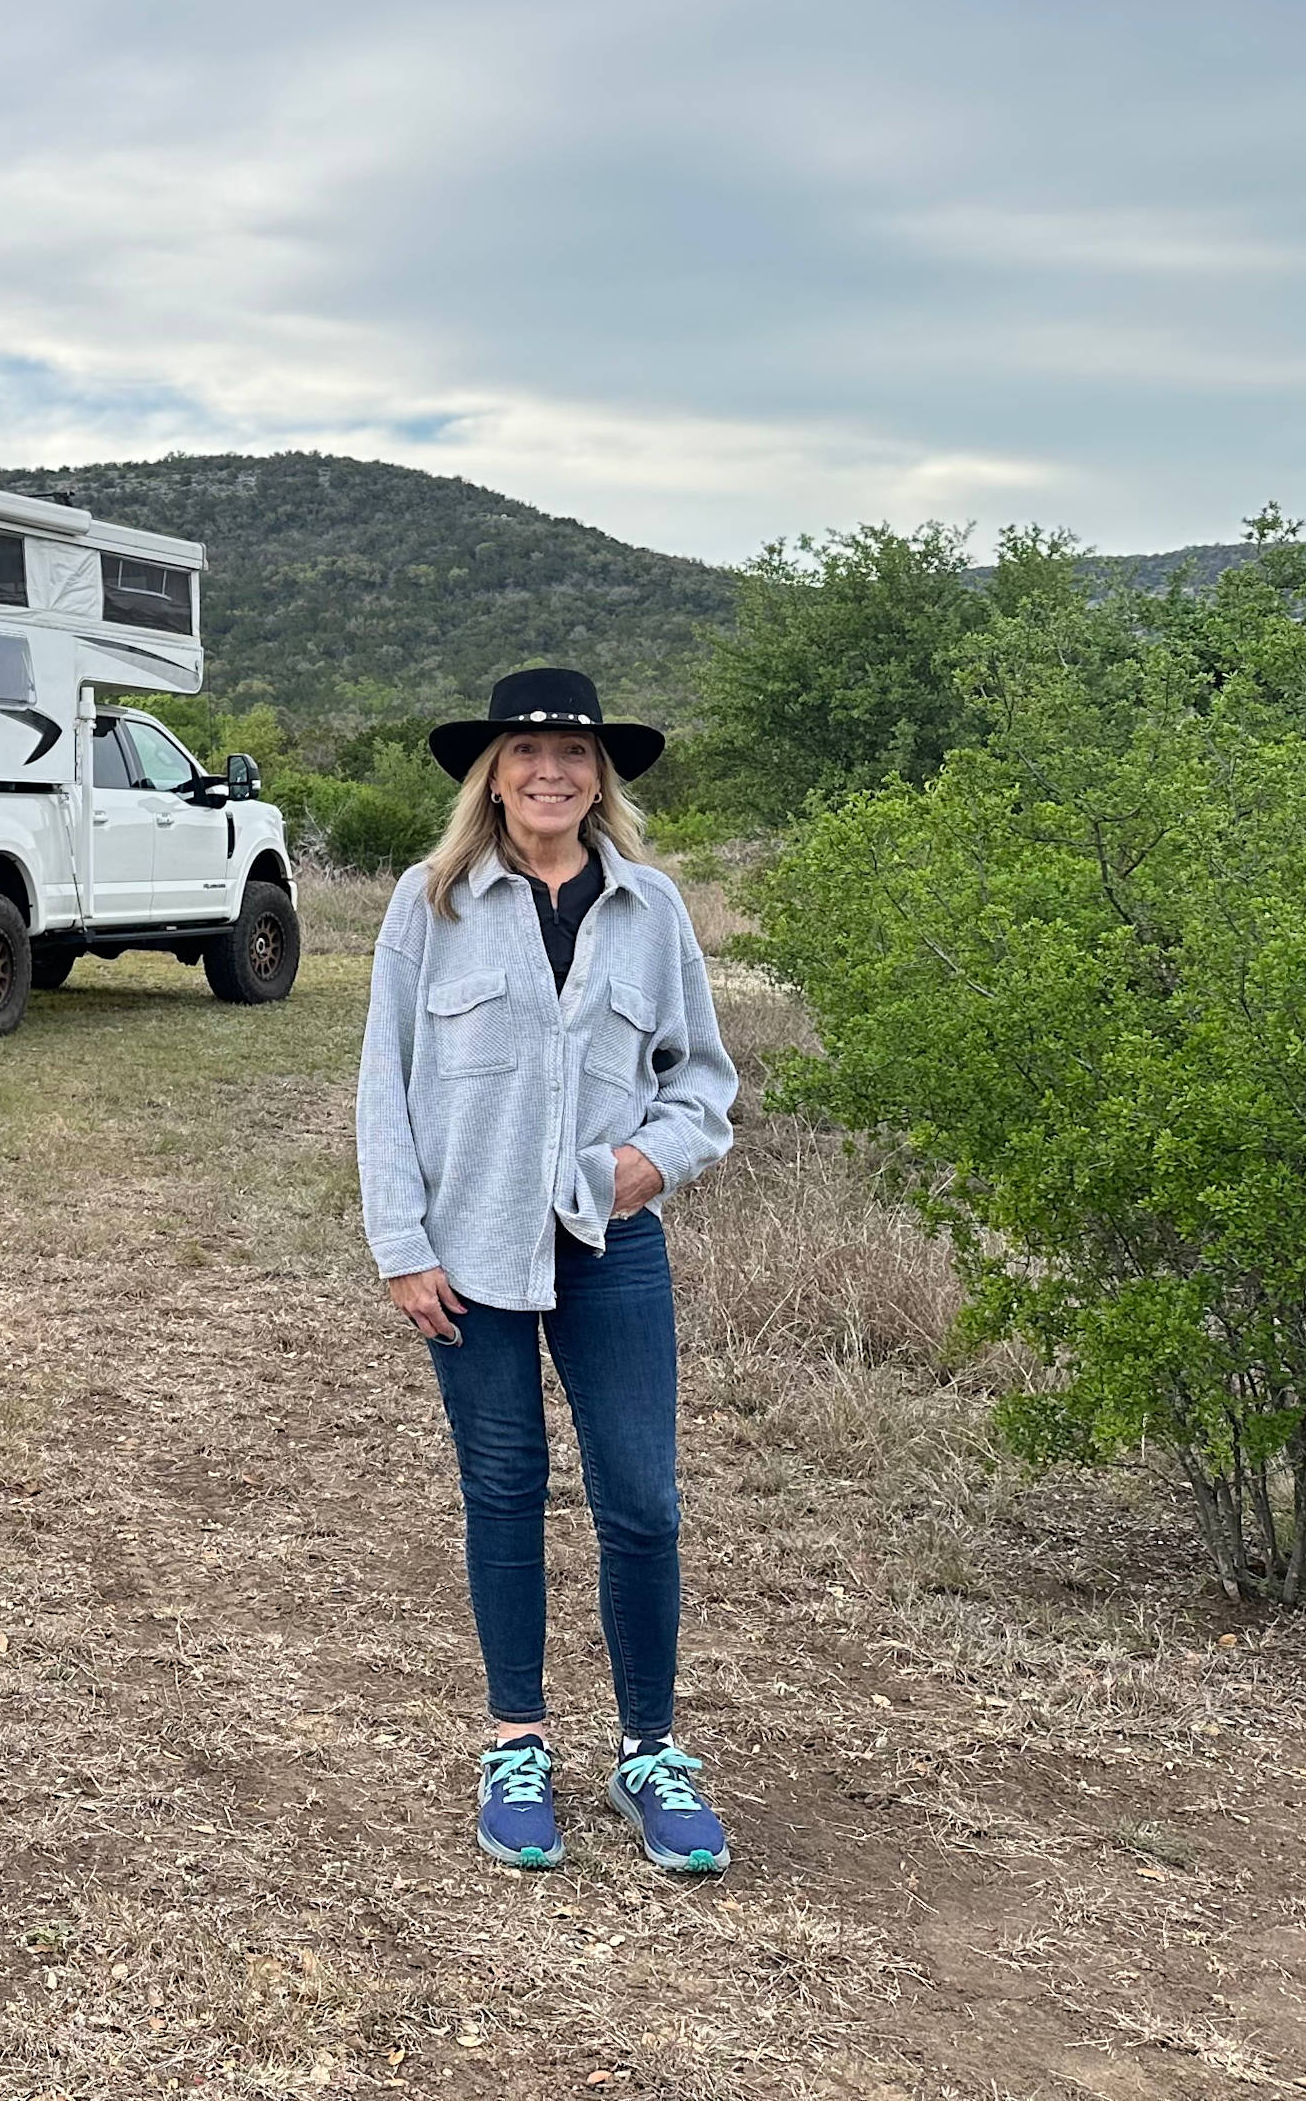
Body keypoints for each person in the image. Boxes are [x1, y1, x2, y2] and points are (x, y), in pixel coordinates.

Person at [356, 666, 738, 1875]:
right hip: (468, 1251)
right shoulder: (431, 904)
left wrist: (649, 1161)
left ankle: (650, 1754)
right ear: (493, 774)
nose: (551, 773)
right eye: (526, 751)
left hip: (610, 1247)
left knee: (642, 1501)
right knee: (505, 1491)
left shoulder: (650, 908)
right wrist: (401, 1248)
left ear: (600, 778)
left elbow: (702, 1080)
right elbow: (384, 1085)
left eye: (574, 755)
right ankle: (516, 1745)